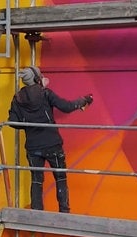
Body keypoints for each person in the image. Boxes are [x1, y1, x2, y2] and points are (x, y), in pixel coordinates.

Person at [8, 66, 93, 213]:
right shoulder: (45, 93)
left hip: (33, 147)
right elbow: (66, 106)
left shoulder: (17, 98)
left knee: (36, 179)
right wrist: (83, 100)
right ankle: (64, 211)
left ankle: (36, 211)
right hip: (52, 143)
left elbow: (12, 122)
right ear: (37, 78)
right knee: (60, 177)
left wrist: (29, 125)